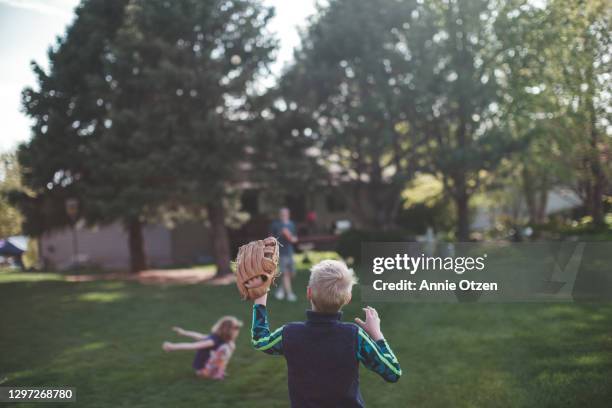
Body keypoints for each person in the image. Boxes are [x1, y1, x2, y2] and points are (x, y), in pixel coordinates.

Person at [250, 260, 402, 407]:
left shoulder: (289, 333)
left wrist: (260, 299)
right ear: (348, 299)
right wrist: (377, 334)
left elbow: (261, 341)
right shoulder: (354, 336)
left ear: (309, 292)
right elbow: (393, 372)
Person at [162, 316, 242, 379]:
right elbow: (193, 345)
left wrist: (184, 333)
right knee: (226, 348)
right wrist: (172, 346)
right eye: (235, 329)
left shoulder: (224, 340)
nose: (237, 332)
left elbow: (200, 336)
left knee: (230, 345)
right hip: (202, 371)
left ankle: (217, 371)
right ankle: (214, 373)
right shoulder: (214, 341)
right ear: (228, 331)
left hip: (209, 366)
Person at [269, 207, 298, 301]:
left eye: (285, 214)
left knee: (292, 274)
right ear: (280, 215)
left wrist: (291, 237)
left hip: (290, 252)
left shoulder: (291, 224)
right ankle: (290, 294)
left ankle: (281, 290)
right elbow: (271, 239)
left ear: (288, 214)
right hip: (281, 252)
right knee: (285, 273)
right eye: (282, 214)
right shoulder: (275, 224)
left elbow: (294, 238)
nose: (284, 215)